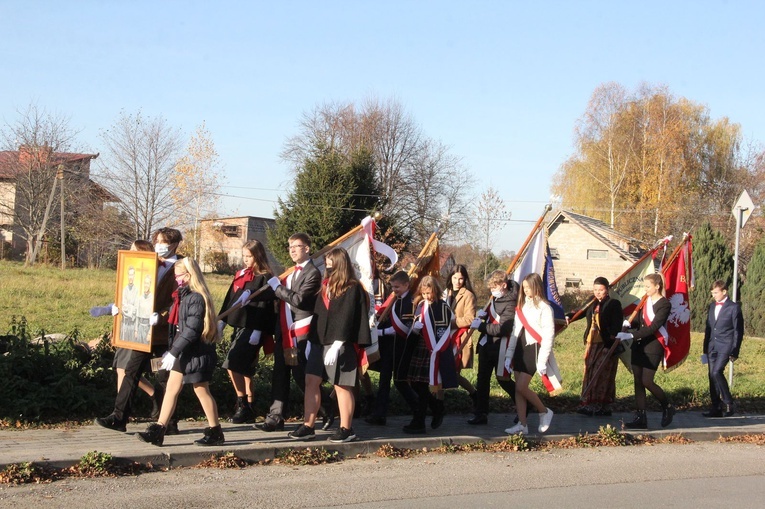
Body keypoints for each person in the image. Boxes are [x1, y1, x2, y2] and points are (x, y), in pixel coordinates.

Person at [95, 227, 182, 433]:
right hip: (142, 332)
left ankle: (168, 421)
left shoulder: (182, 266)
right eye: (158, 241)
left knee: (163, 378)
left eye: (165, 242)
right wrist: (119, 306)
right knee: (131, 372)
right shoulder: (147, 262)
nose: (161, 246)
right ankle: (119, 417)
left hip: (164, 334)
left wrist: (161, 317)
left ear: (176, 244)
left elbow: (181, 300)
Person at [288, 247, 372, 442]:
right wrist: (311, 339)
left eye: (331, 260)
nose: (327, 264)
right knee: (311, 380)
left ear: (340, 262)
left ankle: (346, 428)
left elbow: (349, 318)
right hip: (319, 341)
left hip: (341, 343)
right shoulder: (325, 286)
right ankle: (308, 425)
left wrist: (338, 343)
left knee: (342, 385)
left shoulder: (352, 287)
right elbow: (319, 315)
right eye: (326, 261)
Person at [137, 257, 223, 446]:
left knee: (201, 389)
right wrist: (173, 350)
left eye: (180, 275)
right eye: (176, 276)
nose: (177, 279)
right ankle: (159, 430)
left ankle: (215, 431)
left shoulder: (196, 298)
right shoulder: (182, 296)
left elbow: (192, 329)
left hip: (197, 352)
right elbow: (178, 326)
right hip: (183, 351)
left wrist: (174, 351)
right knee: (171, 390)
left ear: (190, 275)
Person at [258, 233, 331, 432]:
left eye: (296, 246)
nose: (291, 250)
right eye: (289, 246)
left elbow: (299, 300)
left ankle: (327, 409)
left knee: (302, 376)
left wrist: (278, 288)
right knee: (279, 374)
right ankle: (275, 416)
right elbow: (277, 296)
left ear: (307, 248)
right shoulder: (289, 273)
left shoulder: (313, 273)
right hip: (284, 330)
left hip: (302, 331)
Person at [89, 240, 160, 419]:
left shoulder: (152, 274)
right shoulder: (130, 273)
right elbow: (125, 297)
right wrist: (111, 308)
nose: (129, 251)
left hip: (139, 327)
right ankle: (152, 397)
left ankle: (120, 413)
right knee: (123, 369)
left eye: (133, 249)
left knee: (125, 370)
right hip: (125, 325)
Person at [218, 240, 276, 424]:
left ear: (257, 255)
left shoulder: (265, 277)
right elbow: (230, 300)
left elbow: (266, 306)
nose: (245, 259)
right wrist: (222, 322)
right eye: (243, 256)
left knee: (232, 364)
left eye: (249, 256)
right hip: (239, 326)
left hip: (253, 328)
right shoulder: (241, 274)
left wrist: (258, 331)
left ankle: (242, 403)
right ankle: (249, 406)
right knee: (244, 369)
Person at [616, 273, 675, 429]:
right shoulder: (644, 301)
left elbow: (654, 327)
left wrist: (631, 335)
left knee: (646, 380)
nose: (645, 289)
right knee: (638, 381)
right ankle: (640, 417)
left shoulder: (664, 304)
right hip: (639, 346)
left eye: (648, 286)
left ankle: (667, 406)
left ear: (657, 286)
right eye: (644, 286)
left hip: (653, 345)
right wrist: (628, 322)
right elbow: (640, 321)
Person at [400, 275, 456, 434]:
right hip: (420, 346)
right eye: (423, 293)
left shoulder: (443, 306)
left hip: (434, 349)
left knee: (423, 385)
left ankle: (419, 421)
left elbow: (444, 329)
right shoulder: (420, 304)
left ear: (435, 290)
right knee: (416, 384)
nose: (426, 296)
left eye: (429, 293)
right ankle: (437, 407)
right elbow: (416, 321)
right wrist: (415, 328)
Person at [503, 273, 557, 435]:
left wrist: (542, 360)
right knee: (518, 390)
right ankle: (522, 424)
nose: (526, 290)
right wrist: (508, 354)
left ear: (537, 286)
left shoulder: (545, 308)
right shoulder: (523, 305)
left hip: (533, 348)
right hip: (519, 347)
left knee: (521, 386)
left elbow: (549, 335)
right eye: (524, 287)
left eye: (529, 287)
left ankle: (544, 411)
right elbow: (515, 331)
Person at [365, 270, 420, 426]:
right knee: (384, 380)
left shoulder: (410, 302)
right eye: (393, 287)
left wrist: (379, 332)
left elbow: (401, 328)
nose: (394, 290)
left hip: (401, 347)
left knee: (399, 381)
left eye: (397, 287)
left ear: (406, 285)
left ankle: (420, 408)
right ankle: (379, 414)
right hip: (389, 347)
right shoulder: (395, 299)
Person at [467, 270, 519, 425]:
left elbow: (503, 329)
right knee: (482, 380)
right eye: (490, 288)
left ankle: (524, 405)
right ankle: (481, 413)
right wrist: (484, 316)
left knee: (503, 379)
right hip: (486, 345)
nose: (492, 291)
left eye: (494, 288)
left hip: (501, 346)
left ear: (503, 285)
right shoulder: (495, 299)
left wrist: (482, 326)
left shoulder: (511, 302)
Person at [575, 277, 623, 416]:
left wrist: (612, 343)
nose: (598, 293)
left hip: (606, 343)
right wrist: (568, 316)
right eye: (595, 290)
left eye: (601, 290)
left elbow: (616, 324)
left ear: (607, 290)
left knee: (601, 373)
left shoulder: (613, 304)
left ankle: (601, 405)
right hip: (592, 343)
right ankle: (588, 402)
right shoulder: (591, 301)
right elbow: (580, 312)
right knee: (589, 372)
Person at [702, 279, 744, 417]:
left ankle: (729, 402)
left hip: (726, 345)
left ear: (724, 292)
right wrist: (705, 347)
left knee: (716, 372)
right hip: (712, 346)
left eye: (716, 292)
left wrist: (735, 350)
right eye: (712, 293)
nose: (713, 295)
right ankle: (716, 408)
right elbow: (709, 328)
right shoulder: (712, 306)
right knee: (711, 375)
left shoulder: (733, 307)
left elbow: (738, 330)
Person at [444, 264, 478, 405]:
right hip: (443, 336)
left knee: (454, 370)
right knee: (444, 368)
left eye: (461, 279)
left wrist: (451, 322)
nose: (457, 281)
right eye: (455, 278)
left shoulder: (468, 295)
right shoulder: (445, 293)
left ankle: (475, 395)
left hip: (459, 336)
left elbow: (470, 318)